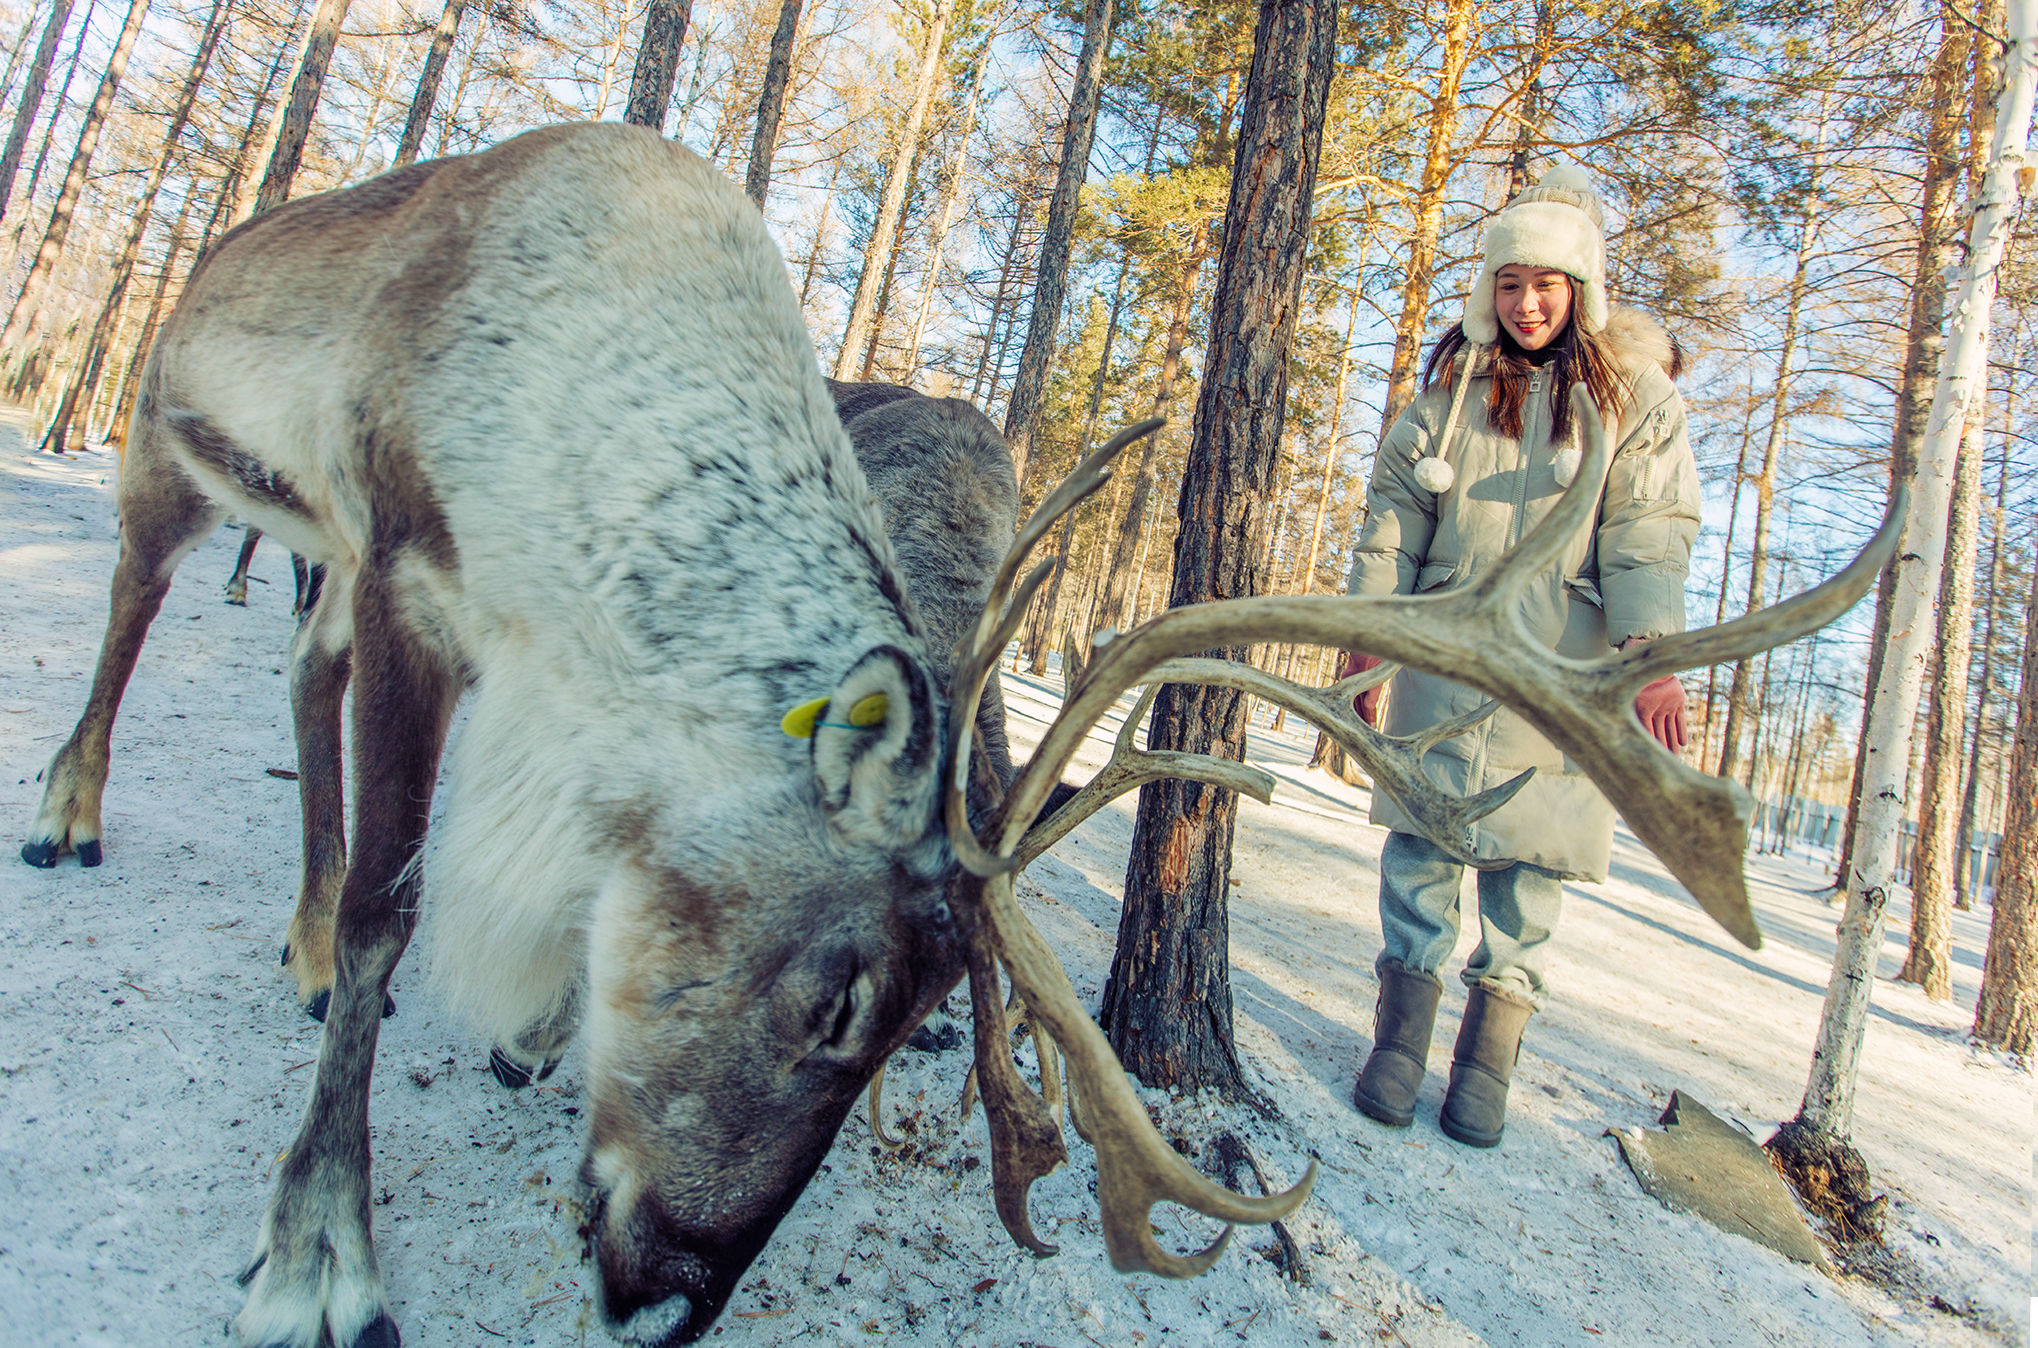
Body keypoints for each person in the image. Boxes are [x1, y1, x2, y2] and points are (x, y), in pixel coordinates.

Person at [1343, 166, 1700, 1148]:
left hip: (1559, 668)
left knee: (1525, 868)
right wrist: (1368, 642)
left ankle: (1484, 1066)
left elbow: (1649, 531)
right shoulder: (1448, 400)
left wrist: (1650, 656)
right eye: (1509, 283)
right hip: (1444, 655)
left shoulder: (1634, 403)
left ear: (1579, 291)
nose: (1526, 301)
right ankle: (1398, 1049)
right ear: (1486, 291)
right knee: (1419, 844)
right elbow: (1392, 522)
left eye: (1545, 284)